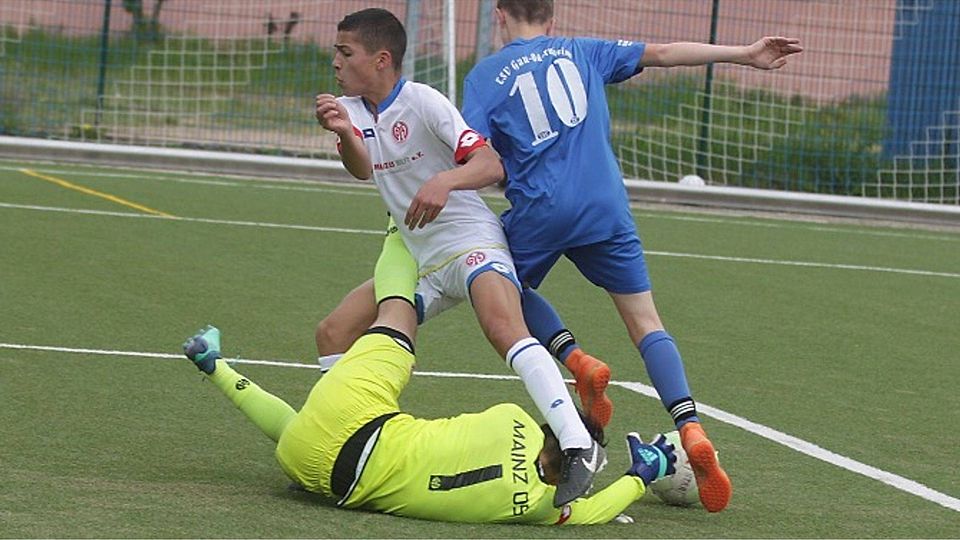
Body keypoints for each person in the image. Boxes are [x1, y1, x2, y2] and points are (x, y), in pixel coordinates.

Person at [450, 0, 803, 513]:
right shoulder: (583, 50)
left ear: (500, 14)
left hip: (543, 210)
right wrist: (743, 54)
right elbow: (662, 52)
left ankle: (577, 359)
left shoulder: (485, 76)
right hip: (606, 206)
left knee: (495, 282)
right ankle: (692, 429)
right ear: (552, 17)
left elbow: (476, 153)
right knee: (646, 323)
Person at [179, 227, 678, 525]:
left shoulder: (513, 420)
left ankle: (396, 225)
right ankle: (213, 364)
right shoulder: (544, 511)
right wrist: (645, 471)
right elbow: (592, 511)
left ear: (553, 429)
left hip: (356, 419)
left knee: (398, 312)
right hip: (318, 474)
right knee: (299, 428)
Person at [312, 7, 603, 506]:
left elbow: (489, 164)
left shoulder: (424, 102)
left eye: (345, 53)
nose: (335, 62)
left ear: (381, 60)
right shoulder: (353, 108)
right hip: (424, 263)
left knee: (503, 329)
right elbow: (363, 169)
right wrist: (342, 131)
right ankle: (336, 436)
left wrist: (444, 180)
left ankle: (578, 444)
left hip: (471, 243)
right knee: (334, 331)